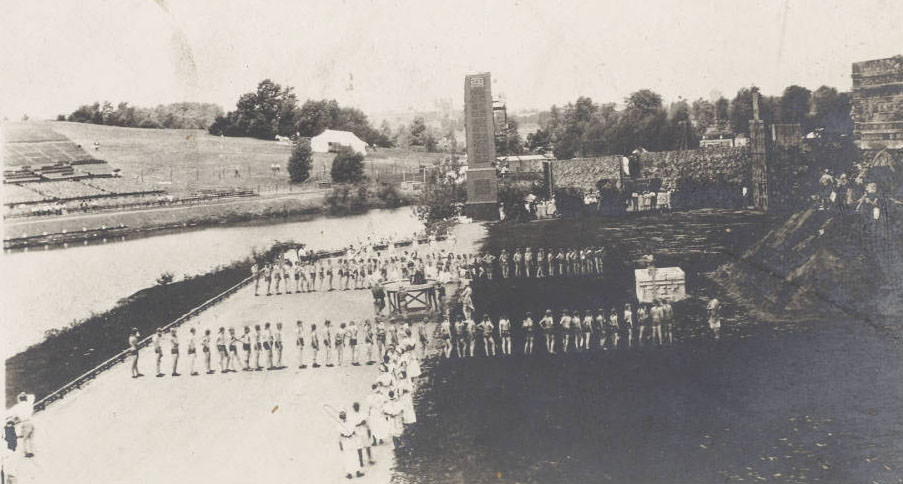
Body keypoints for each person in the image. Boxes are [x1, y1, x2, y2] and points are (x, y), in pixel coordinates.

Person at [5, 392, 35, 458]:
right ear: (25, 398)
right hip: (31, 422)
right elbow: (32, 396)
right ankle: (31, 451)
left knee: (25, 439)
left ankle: (27, 452)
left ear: (20, 399)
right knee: (30, 438)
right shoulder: (29, 404)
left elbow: (11, 414)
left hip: (24, 422)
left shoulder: (18, 407)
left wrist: (12, 417)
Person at [336, 410, 364, 479]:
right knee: (348, 457)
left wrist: (353, 435)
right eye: (342, 416)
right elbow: (339, 436)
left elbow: (354, 432)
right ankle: (349, 473)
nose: (344, 417)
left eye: (344, 416)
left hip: (351, 441)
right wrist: (341, 445)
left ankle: (357, 471)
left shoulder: (350, 423)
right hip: (346, 442)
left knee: (354, 456)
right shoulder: (339, 425)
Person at [352, 402, 375, 467]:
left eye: (357, 406)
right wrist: (359, 424)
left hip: (364, 431)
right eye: (355, 407)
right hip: (357, 433)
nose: (356, 408)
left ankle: (370, 459)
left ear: (359, 407)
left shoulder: (363, 414)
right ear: (353, 408)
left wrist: (369, 432)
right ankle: (361, 461)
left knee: (367, 446)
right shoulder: (351, 416)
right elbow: (351, 426)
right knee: (359, 447)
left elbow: (367, 424)